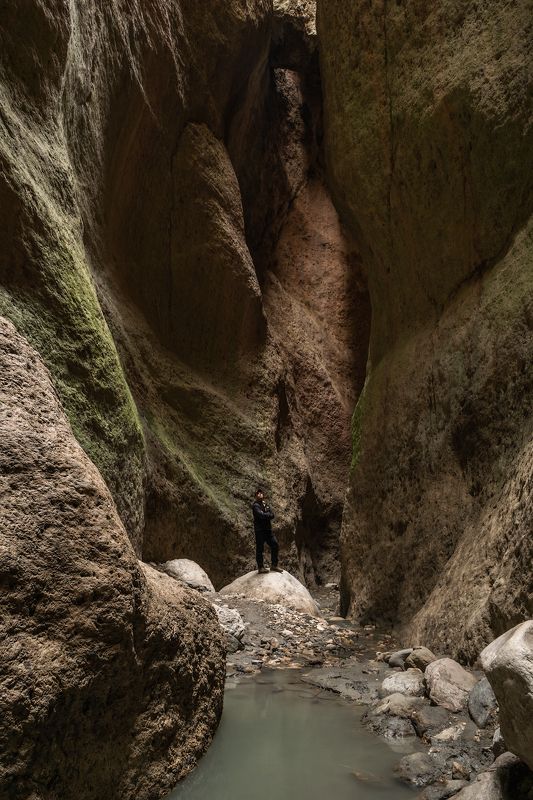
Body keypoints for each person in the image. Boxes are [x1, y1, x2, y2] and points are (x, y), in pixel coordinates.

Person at [252, 488, 282, 574]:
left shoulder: (266, 505)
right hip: (260, 531)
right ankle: (261, 567)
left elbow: (272, 515)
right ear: (256, 496)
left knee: (275, 544)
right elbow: (261, 515)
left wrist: (266, 515)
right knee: (260, 549)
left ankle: (274, 565)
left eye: (261, 493)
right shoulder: (255, 505)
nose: (260, 494)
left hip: (268, 530)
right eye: (258, 493)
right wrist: (266, 515)